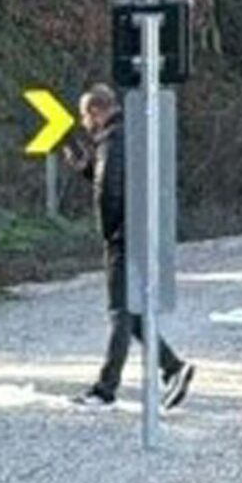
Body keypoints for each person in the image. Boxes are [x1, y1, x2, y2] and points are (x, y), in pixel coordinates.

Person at [66, 83, 196, 411]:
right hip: (143, 233)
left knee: (118, 312)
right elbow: (114, 178)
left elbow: (109, 192)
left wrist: (110, 235)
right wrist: (85, 166)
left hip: (124, 236)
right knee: (133, 312)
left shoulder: (112, 140)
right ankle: (173, 368)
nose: (83, 123)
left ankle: (105, 389)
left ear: (96, 112)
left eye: (85, 116)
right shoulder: (132, 135)